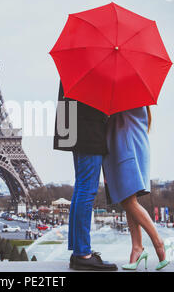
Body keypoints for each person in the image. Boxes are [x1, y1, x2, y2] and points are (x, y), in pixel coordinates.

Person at [54, 82, 117, 271]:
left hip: (76, 127)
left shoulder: (77, 65)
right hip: (89, 130)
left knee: (81, 188)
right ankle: (82, 253)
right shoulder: (95, 68)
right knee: (87, 190)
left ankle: (78, 251)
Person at [103, 106, 170, 271]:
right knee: (129, 201)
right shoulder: (136, 100)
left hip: (126, 150)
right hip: (132, 147)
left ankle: (158, 243)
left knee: (128, 202)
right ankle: (137, 248)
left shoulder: (124, 101)